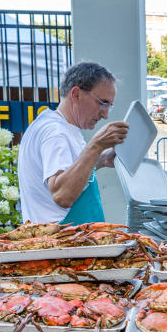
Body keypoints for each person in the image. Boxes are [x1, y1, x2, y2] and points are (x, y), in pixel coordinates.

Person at [17, 62, 128, 225]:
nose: (105, 114)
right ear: (76, 94)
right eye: (102, 103)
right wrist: (96, 146)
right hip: (63, 244)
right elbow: (62, 195)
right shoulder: (56, 132)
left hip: (70, 244)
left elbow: (69, 170)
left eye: (109, 106)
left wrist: (101, 159)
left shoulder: (55, 125)